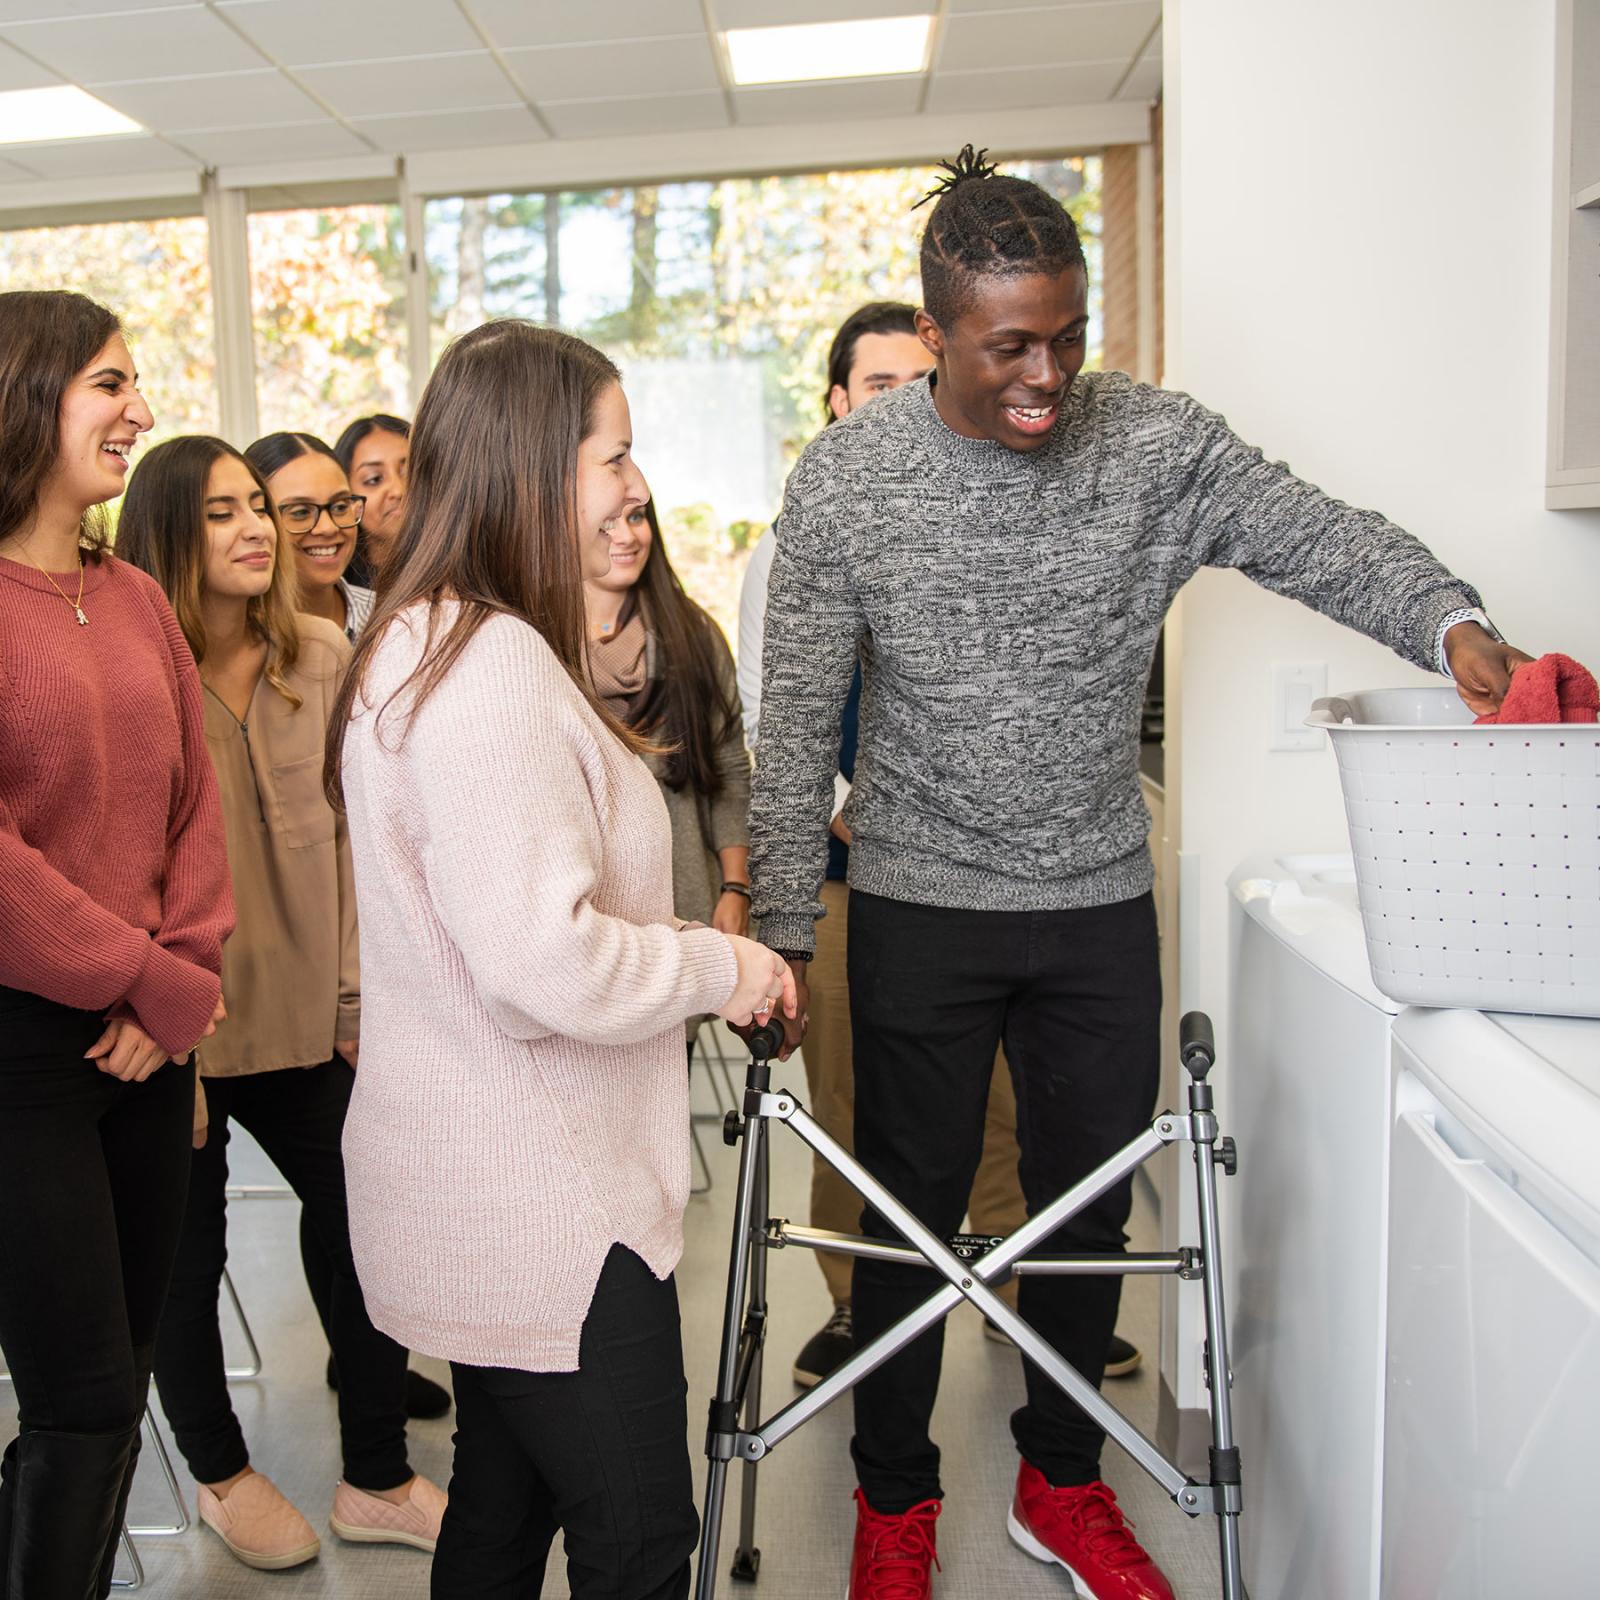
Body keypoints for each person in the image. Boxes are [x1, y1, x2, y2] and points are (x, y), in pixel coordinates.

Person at [748, 148, 1531, 1600]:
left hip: (1097, 899)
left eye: (1069, 333)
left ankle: (1060, 1484)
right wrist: (784, 928)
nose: (1049, 376)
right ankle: (895, 1505)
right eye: (1011, 348)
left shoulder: (1158, 447)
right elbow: (792, 718)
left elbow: (1319, 536)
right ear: (935, 337)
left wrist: (1453, 628)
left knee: (1090, 1210)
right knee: (909, 1224)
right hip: (919, 900)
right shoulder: (851, 481)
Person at [326, 319, 796, 1597]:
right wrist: (721, 966)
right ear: (533, 468)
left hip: (502, 1188)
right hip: (544, 1210)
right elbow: (548, 964)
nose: (636, 487)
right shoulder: (484, 671)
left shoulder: (441, 646)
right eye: (612, 456)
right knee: (640, 1537)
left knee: (502, 1495)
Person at [739, 302, 1145, 1391]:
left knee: (1007, 1097)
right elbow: (769, 713)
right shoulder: (799, 534)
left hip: (973, 884)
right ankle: (857, 1303)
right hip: (841, 870)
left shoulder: (984, 501)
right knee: (859, 1106)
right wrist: (850, 812)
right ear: (835, 401)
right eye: (876, 385)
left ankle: (1017, 1282)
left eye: (911, 380)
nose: (899, 401)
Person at [117, 436, 448, 1572]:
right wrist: (177, 1050)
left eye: (258, 506)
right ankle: (220, 1472)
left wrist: (360, 1001)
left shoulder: (323, 650)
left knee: (364, 1231)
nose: (259, 529)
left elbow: (367, 844)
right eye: (224, 514)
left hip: (320, 1016)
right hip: (187, 1035)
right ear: (167, 533)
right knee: (184, 1259)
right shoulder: (135, 678)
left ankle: (377, 1473)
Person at [0, 290, 233, 1595]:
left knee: (119, 1381)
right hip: (25, 1047)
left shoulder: (134, 594)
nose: (139, 409)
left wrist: (182, 980)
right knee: (83, 1399)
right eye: (108, 382)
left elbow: (194, 805)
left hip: (153, 1041)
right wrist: (152, 976)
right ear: (24, 394)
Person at [245, 426, 450, 1423]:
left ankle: (375, 1347)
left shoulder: (384, 612)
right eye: (303, 509)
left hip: (404, 912)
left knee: (384, 1160)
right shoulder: (248, 630)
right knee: (345, 1168)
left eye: (343, 503)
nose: (331, 525)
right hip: (317, 935)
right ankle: (355, 1354)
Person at [585, 498, 753, 1050]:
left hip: (681, 902)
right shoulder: (536, 641)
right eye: (607, 522)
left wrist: (735, 886)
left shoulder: (692, 634)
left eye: (636, 518)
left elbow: (728, 768)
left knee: (663, 1103)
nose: (627, 535)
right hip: (587, 920)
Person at [244, 431, 374, 641]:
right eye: (301, 512)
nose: (328, 528)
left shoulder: (389, 620)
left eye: (340, 507)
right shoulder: (237, 639)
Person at [334, 413, 409, 584]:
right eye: (374, 479)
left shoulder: (466, 569)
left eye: (409, 472)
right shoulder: (338, 590)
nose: (398, 490)